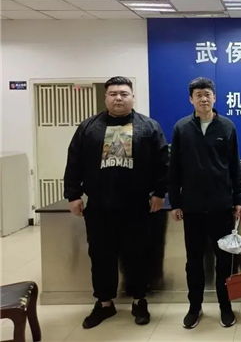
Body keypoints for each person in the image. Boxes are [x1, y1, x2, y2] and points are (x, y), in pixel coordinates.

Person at [64, 76, 168, 329]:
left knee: (138, 255)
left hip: (137, 206)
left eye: (123, 93)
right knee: (101, 256)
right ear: (106, 98)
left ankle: (139, 301)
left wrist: (159, 193)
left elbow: (162, 163)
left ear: (133, 97)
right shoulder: (89, 127)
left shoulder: (149, 127)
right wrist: (73, 194)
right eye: (113, 94)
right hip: (99, 206)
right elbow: (74, 160)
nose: (118, 98)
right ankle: (104, 303)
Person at [169, 77, 241, 330]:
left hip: (221, 205)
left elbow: (234, 166)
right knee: (194, 261)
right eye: (198, 94)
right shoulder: (181, 128)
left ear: (215, 97)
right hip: (192, 207)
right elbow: (174, 168)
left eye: (207, 94)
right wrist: (175, 202)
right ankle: (195, 306)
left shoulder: (227, 126)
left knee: (223, 261)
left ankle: (225, 306)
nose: (203, 98)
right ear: (191, 99)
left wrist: (238, 200)